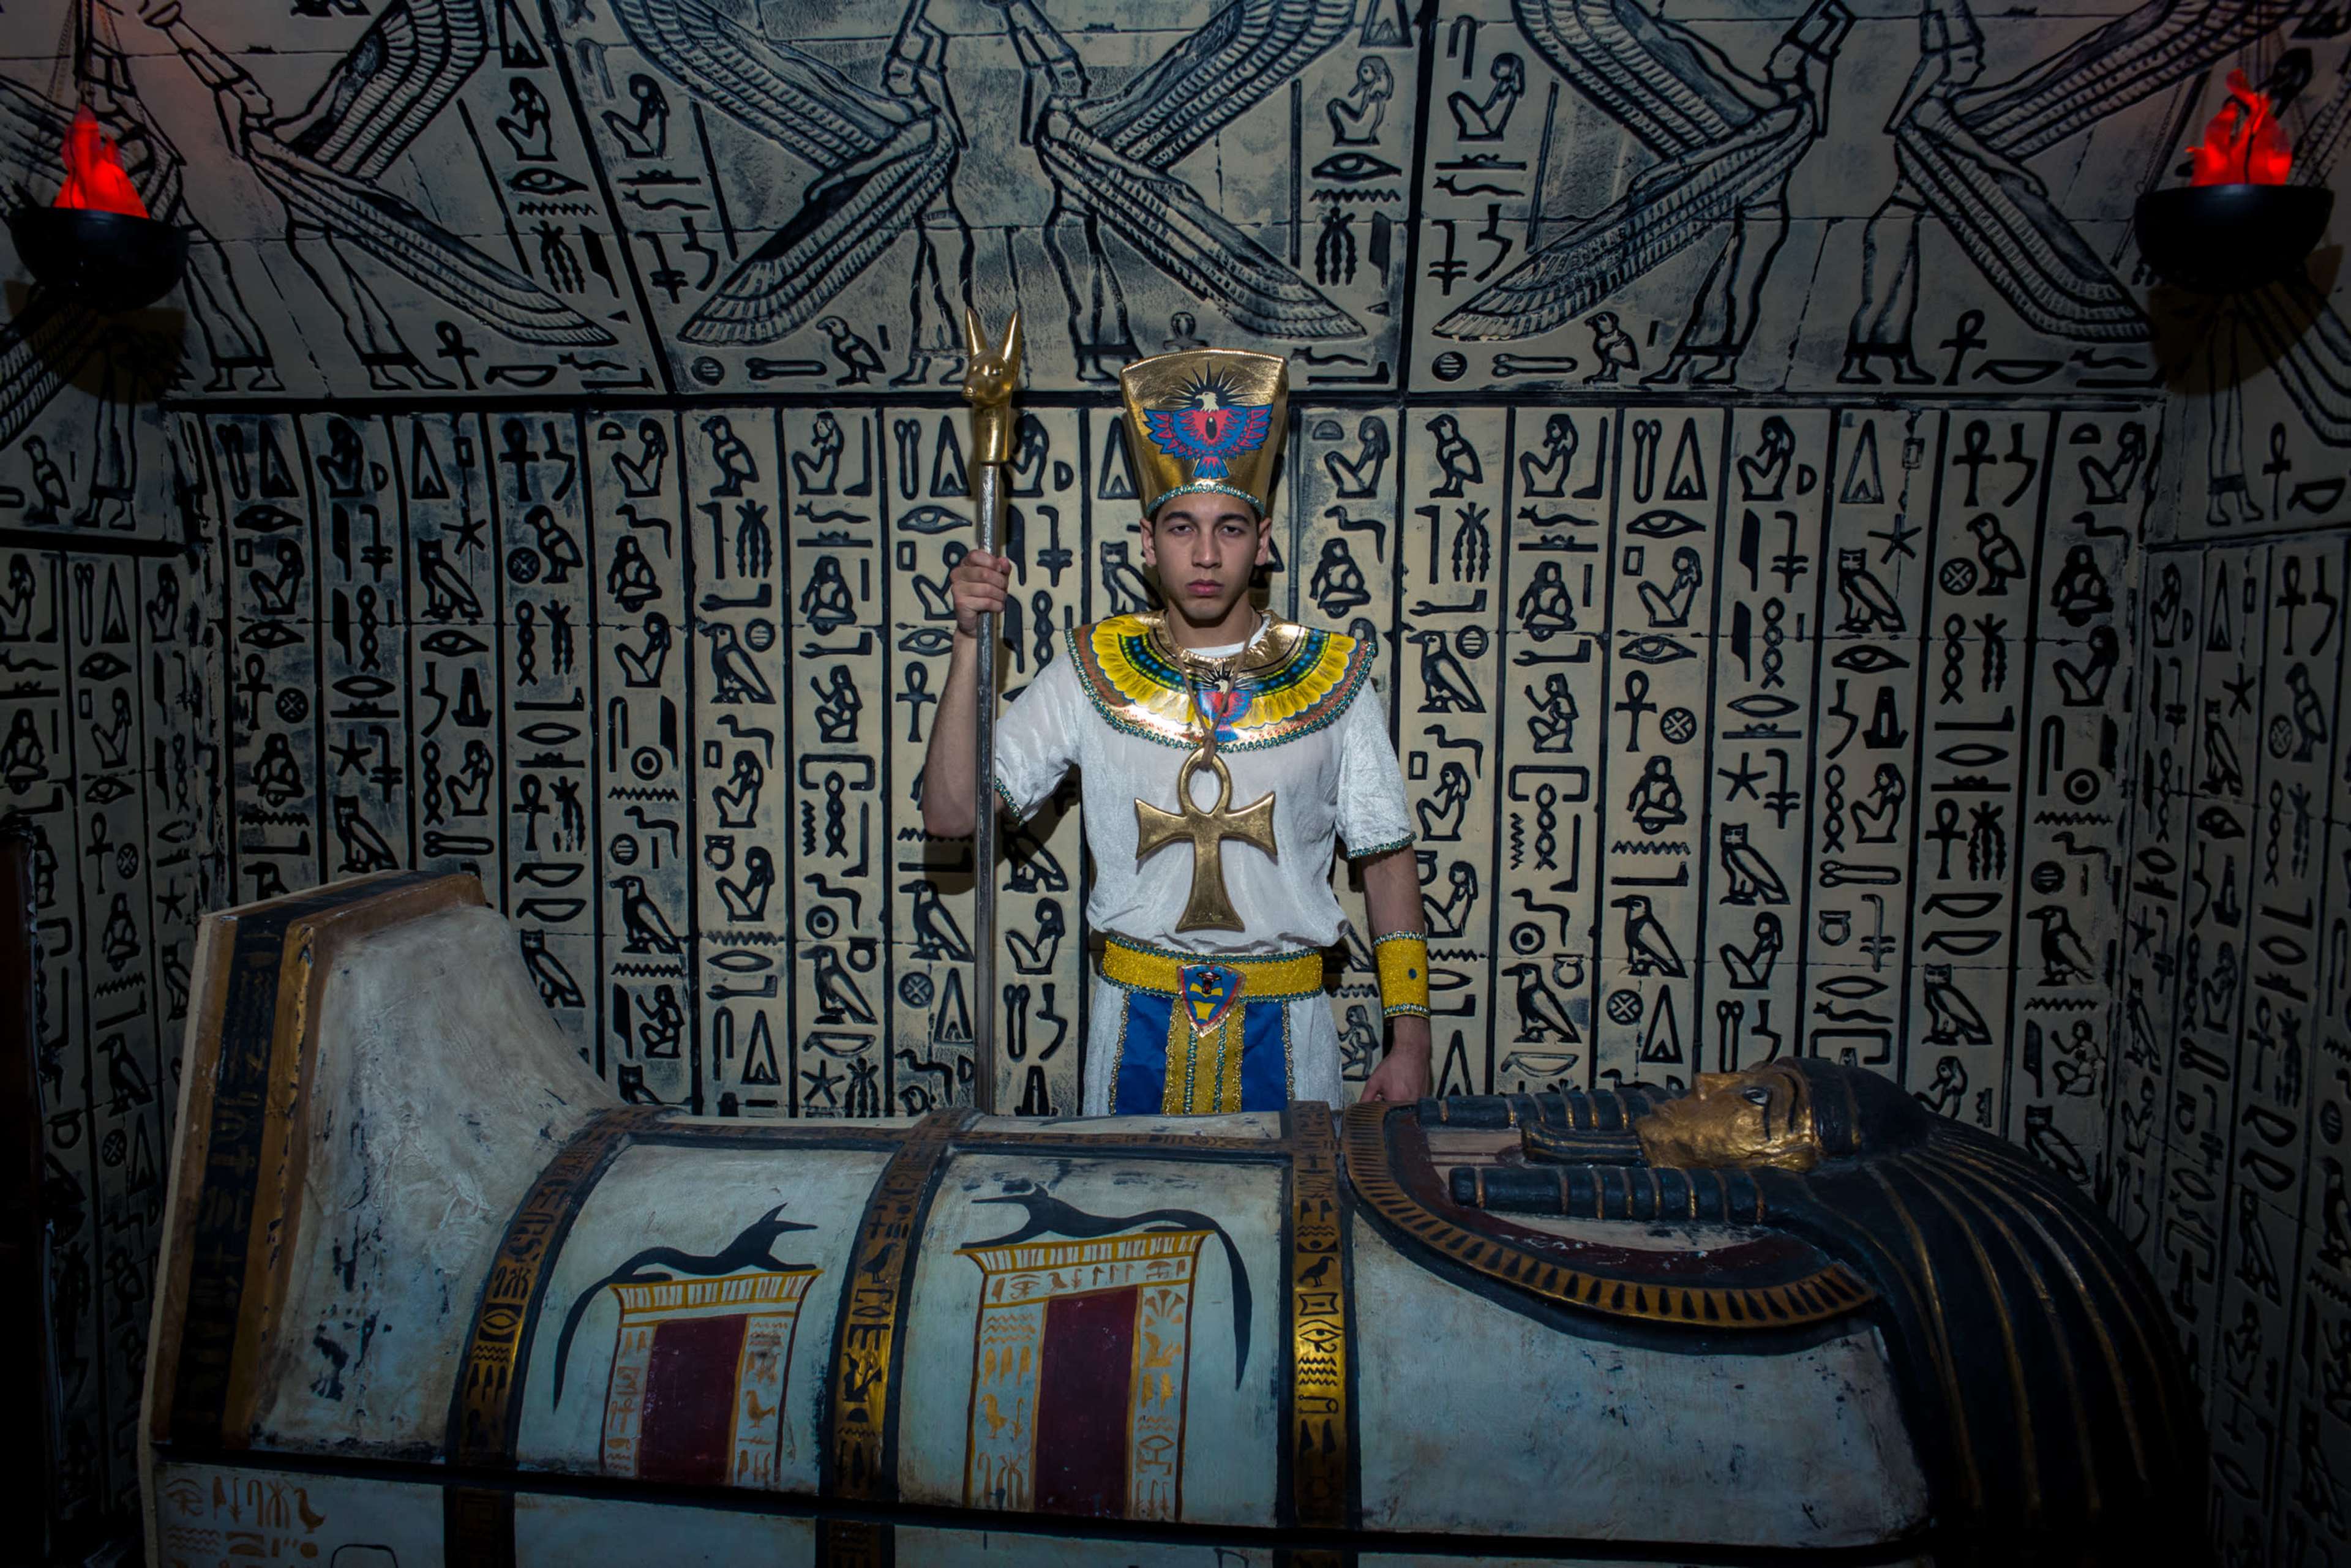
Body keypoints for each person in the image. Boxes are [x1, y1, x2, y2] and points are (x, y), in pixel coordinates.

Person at [924, 348, 1431, 1114]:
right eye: (1182, 526)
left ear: (1263, 541)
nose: (1205, 554)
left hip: (1289, 1032)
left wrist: (1412, 1039)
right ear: (1147, 540)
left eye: (1230, 528)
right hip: (1133, 1026)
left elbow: (1387, 858)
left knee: (1295, 1199)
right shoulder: (1091, 667)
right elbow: (951, 813)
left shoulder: (1335, 676)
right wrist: (969, 641)